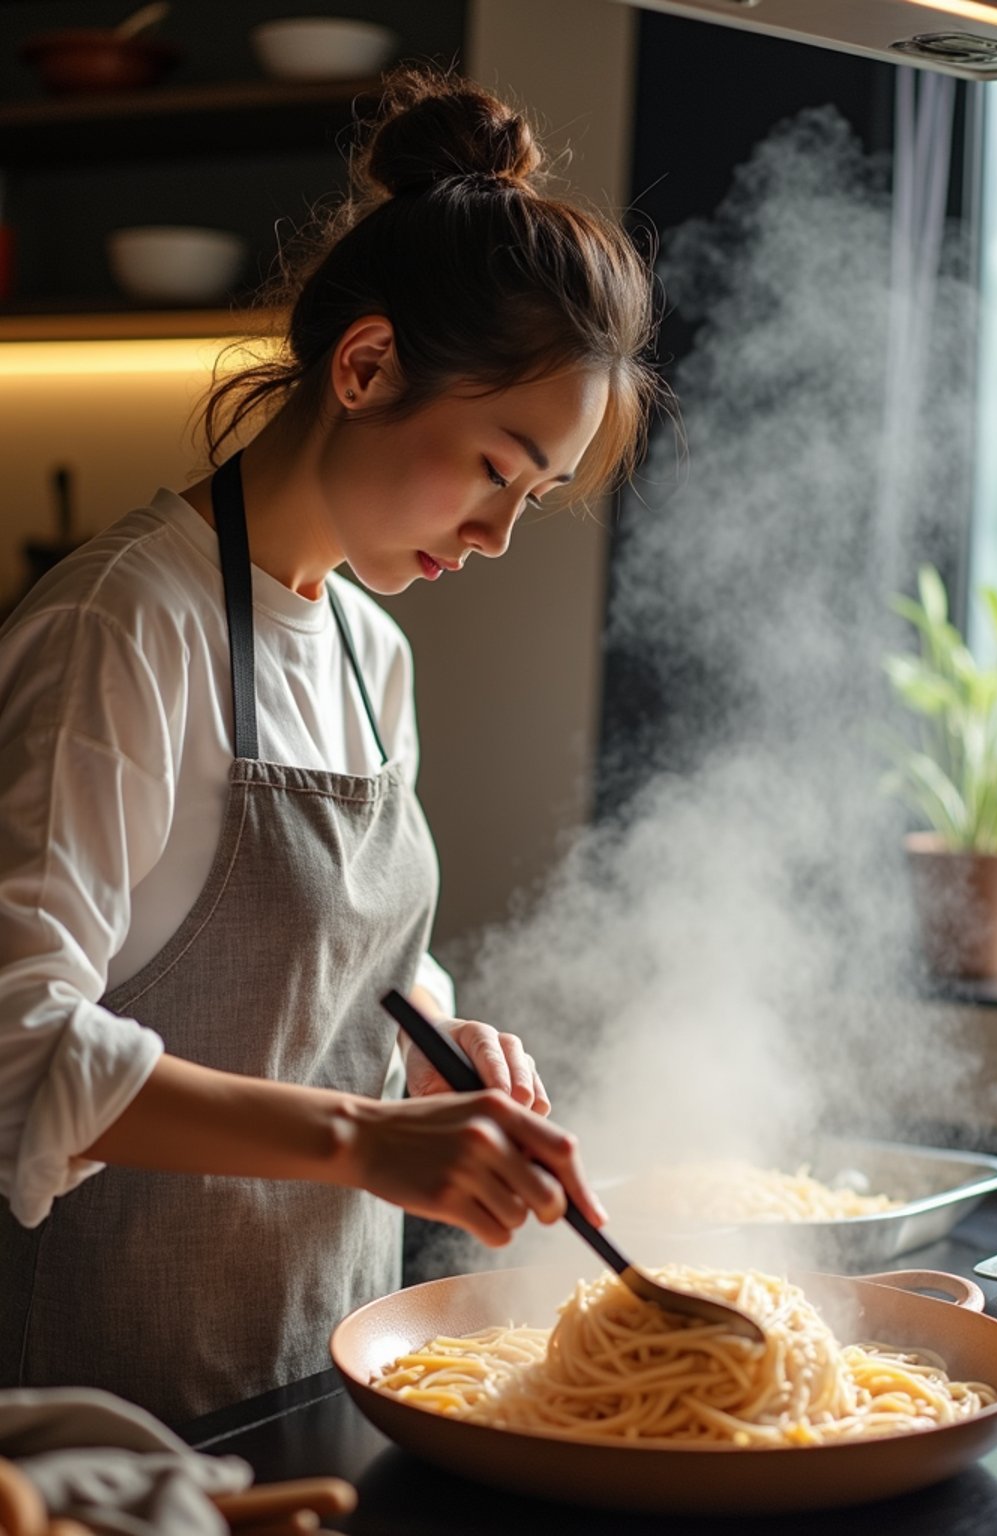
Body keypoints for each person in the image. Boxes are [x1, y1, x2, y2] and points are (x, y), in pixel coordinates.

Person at [0, 68, 661, 1426]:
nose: (496, 536)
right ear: (365, 367)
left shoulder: (369, 654)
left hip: (321, 1373)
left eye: (533, 499)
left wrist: (434, 1045)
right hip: (115, 1421)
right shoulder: (122, 627)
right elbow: (19, 1049)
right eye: (496, 465)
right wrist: (369, 1139)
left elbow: (356, 970)